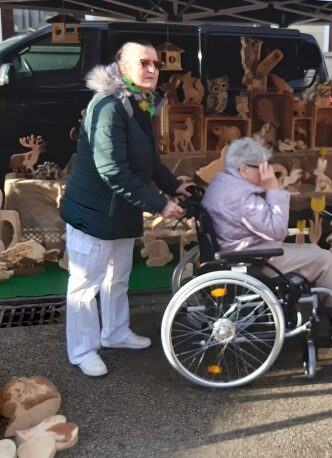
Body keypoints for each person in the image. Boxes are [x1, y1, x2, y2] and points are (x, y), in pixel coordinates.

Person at [60, 41, 191, 377]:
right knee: (85, 285)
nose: (151, 69)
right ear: (121, 67)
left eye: (156, 64)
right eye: (143, 62)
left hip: (120, 210)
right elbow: (112, 170)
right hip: (93, 213)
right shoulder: (107, 107)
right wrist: (160, 203)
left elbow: (148, 160)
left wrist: (172, 184)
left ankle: (115, 333)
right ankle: (82, 350)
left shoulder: (138, 103)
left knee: (117, 277)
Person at [201, 137, 332, 359]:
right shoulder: (242, 196)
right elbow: (277, 230)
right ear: (243, 169)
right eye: (261, 166)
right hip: (256, 259)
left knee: (314, 252)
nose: (267, 171)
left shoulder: (222, 183)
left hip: (243, 249)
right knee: (324, 259)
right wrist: (274, 189)